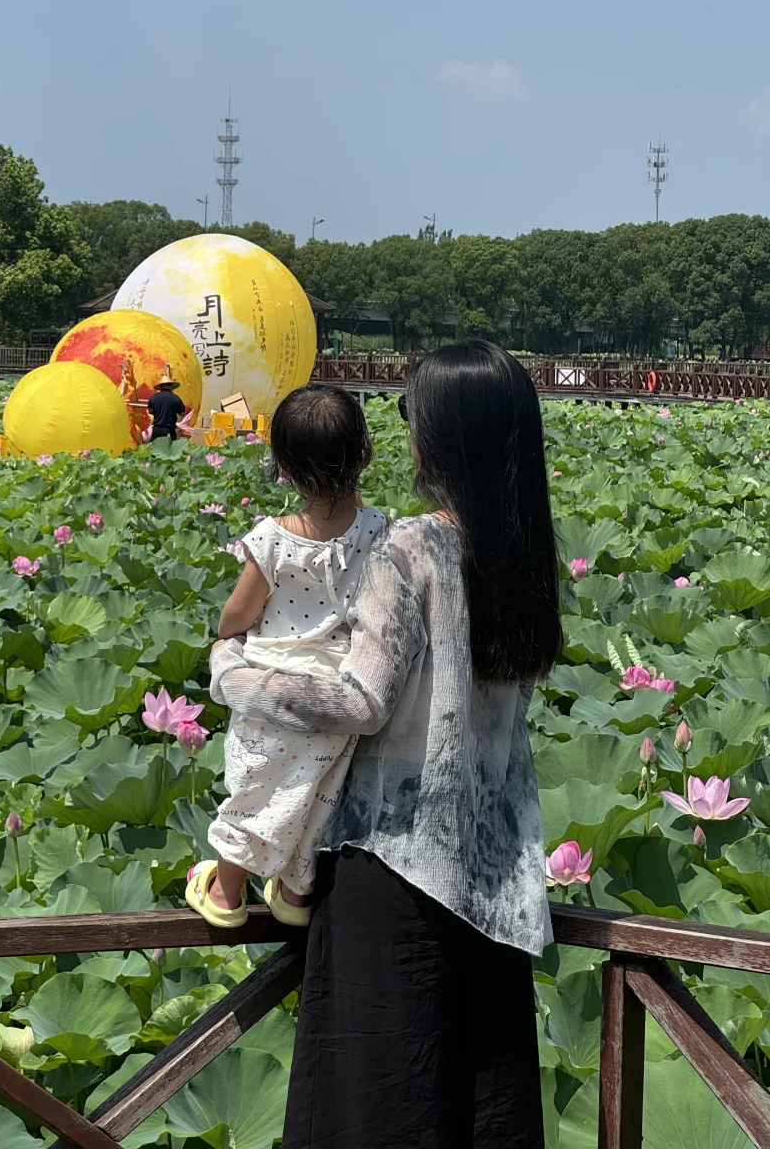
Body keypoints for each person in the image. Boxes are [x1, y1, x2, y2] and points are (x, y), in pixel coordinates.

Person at [209, 340, 561, 1149]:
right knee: (481, 1115)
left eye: (412, 412)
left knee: (378, 1110)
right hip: (499, 879)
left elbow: (358, 702)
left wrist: (235, 674)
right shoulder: (521, 550)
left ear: (443, 434)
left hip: (394, 872)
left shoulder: (413, 548)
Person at [186, 385, 385, 929]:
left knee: (253, 792)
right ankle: (295, 897)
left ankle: (227, 894)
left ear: (284, 470)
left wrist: (224, 640)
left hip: (272, 693)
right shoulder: (379, 531)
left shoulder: (271, 540)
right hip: (338, 696)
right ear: (364, 455)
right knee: (311, 796)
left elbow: (238, 616)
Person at [146, 374, 186, 441]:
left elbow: (150, 411)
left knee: (153, 449)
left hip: (156, 430)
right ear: (170, 386)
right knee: (169, 450)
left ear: (160, 386)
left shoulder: (153, 398)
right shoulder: (176, 398)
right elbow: (182, 413)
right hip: (169, 430)